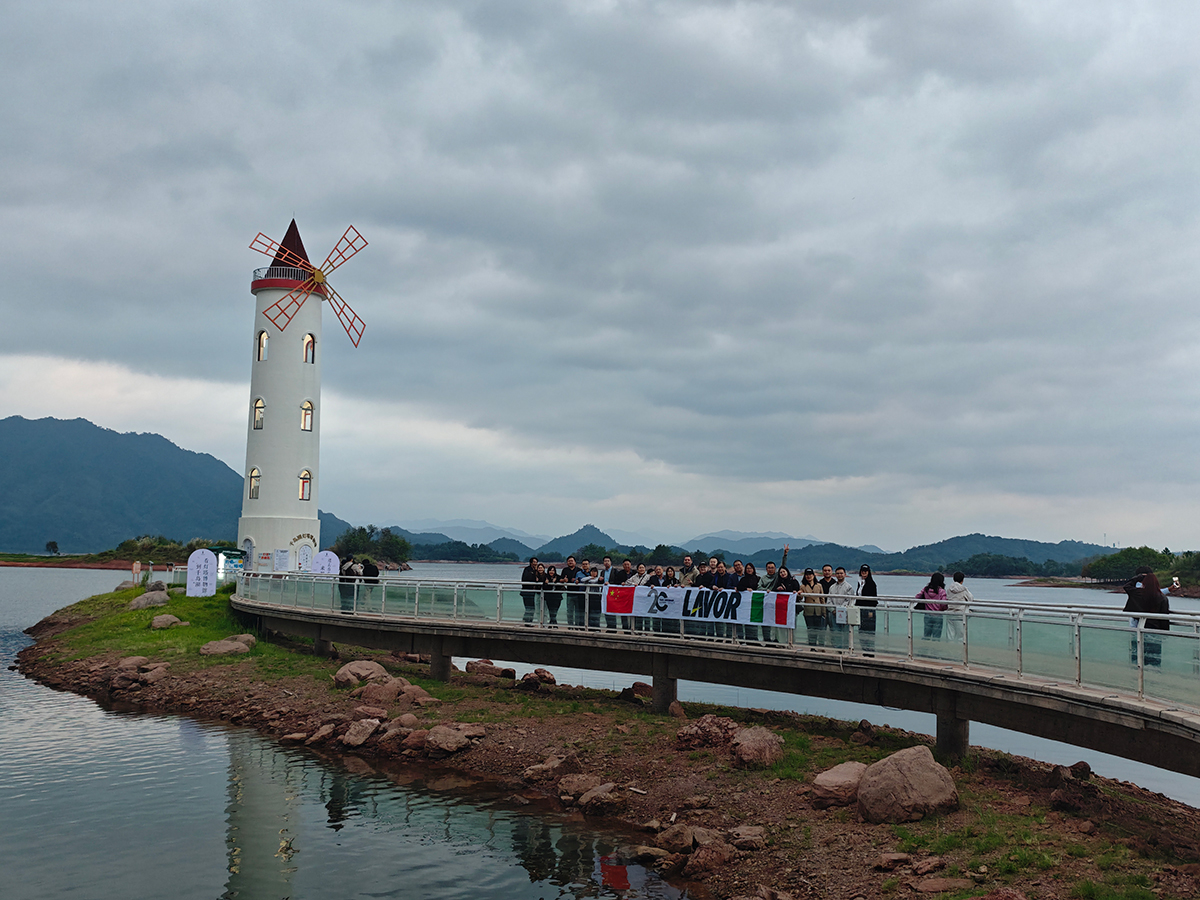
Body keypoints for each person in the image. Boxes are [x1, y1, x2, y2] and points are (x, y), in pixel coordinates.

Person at [1122, 566, 1170, 667]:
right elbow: (1164, 617)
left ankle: (1136, 679)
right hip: (1155, 632)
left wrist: (1138, 577)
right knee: (1154, 660)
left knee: (1137, 660)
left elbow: (1127, 586)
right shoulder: (1162, 597)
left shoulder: (1138, 594)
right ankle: (1153, 680)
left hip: (1139, 630)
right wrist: (1164, 633)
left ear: (1143, 582)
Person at [826, 566, 856, 647]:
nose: (839, 575)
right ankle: (837, 649)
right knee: (835, 632)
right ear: (835, 575)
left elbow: (849, 600)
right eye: (838, 573)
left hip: (845, 613)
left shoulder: (849, 587)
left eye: (841, 573)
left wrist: (840, 609)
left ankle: (845, 649)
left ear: (845, 574)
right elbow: (829, 600)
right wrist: (833, 610)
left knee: (845, 632)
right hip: (833, 613)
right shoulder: (832, 587)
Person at [916, 573, 948, 640]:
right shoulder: (941, 591)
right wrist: (944, 609)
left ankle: (925, 648)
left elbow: (917, 597)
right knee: (936, 636)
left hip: (927, 615)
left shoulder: (926, 589)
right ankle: (934, 649)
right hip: (938, 615)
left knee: (926, 635)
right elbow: (943, 603)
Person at [799, 567, 825, 647]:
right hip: (808, 610)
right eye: (806, 575)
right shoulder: (803, 586)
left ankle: (820, 645)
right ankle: (812, 645)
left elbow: (822, 598)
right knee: (810, 629)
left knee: (818, 629)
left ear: (813, 575)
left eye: (810, 574)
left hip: (818, 610)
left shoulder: (819, 585)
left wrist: (824, 611)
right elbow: (800, 598)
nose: (808, 576)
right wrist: (800, 594)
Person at [945, 571, 972, 643]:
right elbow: (971, 599)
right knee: (961, 635)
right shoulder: (963, 589)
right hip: (960, 613)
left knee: (950, 635)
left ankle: (950, 651)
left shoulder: (949, 589)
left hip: (949, 613)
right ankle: (960, 652)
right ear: (962, 580)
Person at [856, 564, 878, 655]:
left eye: (865, 571)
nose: (864, 573)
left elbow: (873, 599)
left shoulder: (871, 584)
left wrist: (870, 611)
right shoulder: (860, 582)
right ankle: (865, 650)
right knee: (861, 631)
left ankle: (870, 652)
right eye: (862, 571)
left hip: (868, 610)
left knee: (869, 632)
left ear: (869, 572)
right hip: (860, 609)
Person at [561, 556, 584, 627]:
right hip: (569, 593)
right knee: (569, 610)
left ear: (575, 562)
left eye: (572, 561)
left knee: (577, 610)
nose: (570, 562)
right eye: (569, 561)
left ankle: (577, 625)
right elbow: (561, 579)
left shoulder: (579, 570)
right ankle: (570, 625)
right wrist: (564, 581)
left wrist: (577, 581)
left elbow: (583, 580)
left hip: (578, 593)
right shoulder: (565, 570)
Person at [520, 557, 540, 624]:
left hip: (534, 592)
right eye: (534, 562)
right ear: (531, 563)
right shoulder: (527, 569)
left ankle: (526, 620)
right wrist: (534, 573)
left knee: (531, 607)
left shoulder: (537, 570)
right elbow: (525, 579)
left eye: (536, 562)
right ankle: (528, 622)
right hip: (527, 591)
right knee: (529, 607)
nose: (535, 563)